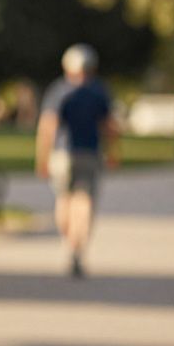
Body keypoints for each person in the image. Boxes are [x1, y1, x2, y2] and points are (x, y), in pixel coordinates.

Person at [35, 44, 119, 278]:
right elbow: (109, 126)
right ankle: (77, 248)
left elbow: (47, 126)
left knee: (64, 199)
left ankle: (68, 241)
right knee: (85, 202)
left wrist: (42, 157)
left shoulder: (59, 90)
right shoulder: (98, 91)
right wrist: (114, 152)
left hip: (62, 154)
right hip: (89, 153)